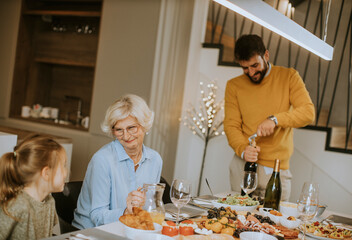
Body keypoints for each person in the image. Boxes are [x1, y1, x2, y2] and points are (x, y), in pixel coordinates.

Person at [224, 34, 315, 201]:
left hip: (275, 168)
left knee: (273, 223)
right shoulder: (233, 86)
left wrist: (275, 119)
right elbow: (231, 125)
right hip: (242, 165)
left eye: (254, 65)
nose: (251, 73)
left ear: (266, 55)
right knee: (236, 218)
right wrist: (243, 150)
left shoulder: (289, 77)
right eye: (245, 68)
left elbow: (308, 113)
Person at [73, 94, 163, 229]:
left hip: (130, 230)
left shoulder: (155, 160)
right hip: (92, 233)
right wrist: (126, 212)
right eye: (119, 130)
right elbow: (97, 216)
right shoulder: (102, 160)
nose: (126, 136)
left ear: (144, 125)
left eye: (132, 127)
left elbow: (150, 207)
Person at [0, 134, 67, 239]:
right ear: (46, 173)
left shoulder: (50, 202)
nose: (66, 173)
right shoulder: (18, 205)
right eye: (63, 166)